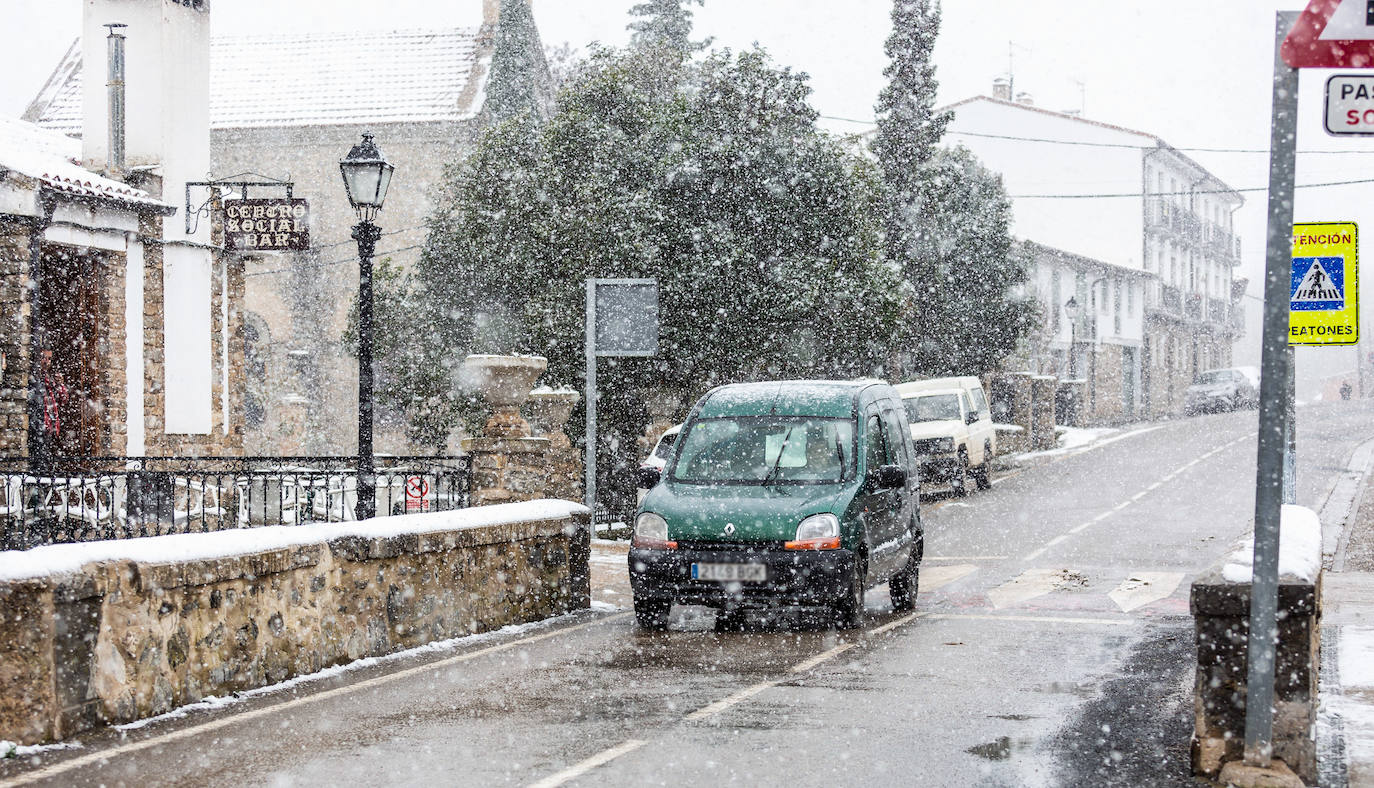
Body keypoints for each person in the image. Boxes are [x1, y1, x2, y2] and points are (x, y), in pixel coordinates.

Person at [33, 348, 67, 468]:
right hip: (38, 424)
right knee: (39, 455)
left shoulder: (51, 377)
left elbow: (63, 399)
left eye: (49, 359)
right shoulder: (35, 377)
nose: (47, 361)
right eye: (44, 357)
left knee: (47, 455)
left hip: (50, 424)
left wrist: (60, 384)